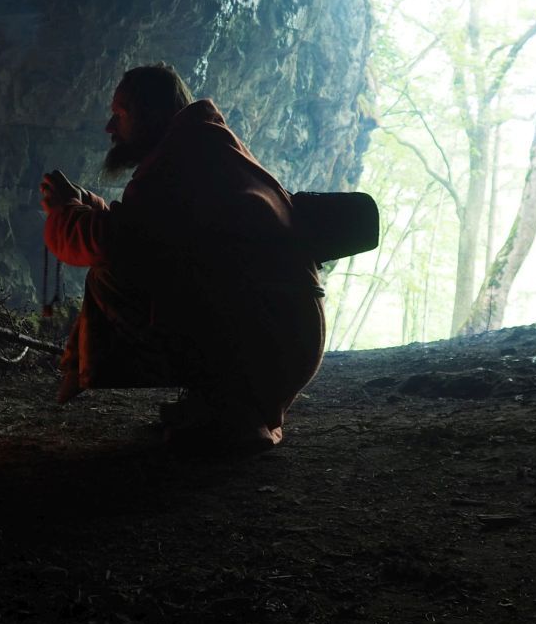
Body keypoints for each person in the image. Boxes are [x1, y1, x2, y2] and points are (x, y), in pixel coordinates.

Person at [40, 63, 326, 453]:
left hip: (268, 338)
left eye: (121, 113)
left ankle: (229, 411)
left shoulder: (182, 158)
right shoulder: (204, 146)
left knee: (110, 276)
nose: (111, 127)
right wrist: (85, 204)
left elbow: (117, 243)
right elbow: (146, 229)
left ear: (154, 114)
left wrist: (64, 213)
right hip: (287, 334)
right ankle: (221, 403)